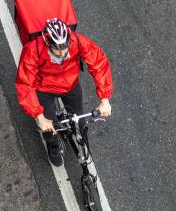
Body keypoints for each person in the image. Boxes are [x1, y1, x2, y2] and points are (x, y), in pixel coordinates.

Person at [15, 18, 113, 166]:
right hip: (44, 89)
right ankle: (54, 146)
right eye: (57, 48)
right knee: (50, 128)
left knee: (80, 122)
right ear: (48, 43)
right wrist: (39, 116)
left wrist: (104, 99)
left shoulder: (77, 41)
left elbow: (99, 63)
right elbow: (25, 83)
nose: (62, 52)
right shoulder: (32, 50)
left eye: (65, 47)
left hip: (70, 85)